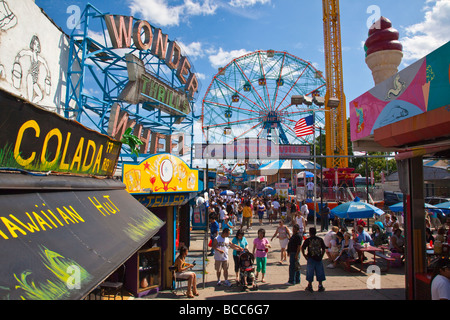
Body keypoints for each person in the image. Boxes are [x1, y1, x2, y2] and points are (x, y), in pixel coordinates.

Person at [301, 227, 326, 292]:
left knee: (310, 272)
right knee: (320, 272)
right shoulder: (320, 239)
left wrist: (304, 255)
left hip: (311, 258)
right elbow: (323, 248)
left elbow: (303, 248)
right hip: (318, 258)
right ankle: (320, 285)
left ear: (310, 233)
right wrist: (321, 256)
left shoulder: (308, 240)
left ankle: (310, 285)